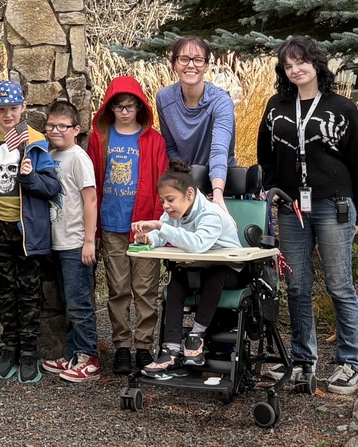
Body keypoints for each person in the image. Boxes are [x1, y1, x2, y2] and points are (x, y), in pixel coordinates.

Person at [258, 35, 358, 395]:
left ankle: (350, 362)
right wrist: (271, 189)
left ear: (316, 63)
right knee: (297, 285)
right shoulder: (276, 106)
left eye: (301, 61)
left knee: (339, 285)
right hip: (291, 208)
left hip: (334, 205)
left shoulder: (342, 108)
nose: (295, 69)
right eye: (288, 64)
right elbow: (266, 157)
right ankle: (303, 361)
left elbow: (355, 161)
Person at [0, 79, 60, 384]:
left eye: (13, 108)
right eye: (1, 109)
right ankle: (9, 346)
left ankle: (29, 351)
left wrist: (29, 179)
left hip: (27, 229)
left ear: (23, 107)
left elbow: (53, 187)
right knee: (6, 289)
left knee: (29, 291)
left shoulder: (35, 141)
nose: (8, 114)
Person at [88, 76, 168, 375]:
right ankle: (122, 346)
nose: (124, 111)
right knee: (118, 288)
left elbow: (162, 185)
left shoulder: (153, 140)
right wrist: (93, 227)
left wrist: (158, 224)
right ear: (110, 107)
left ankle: (144, 347)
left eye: (130, 106)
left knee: (146, 289)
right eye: (119, 106)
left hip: (144, 226)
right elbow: (93, 181)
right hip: (112, 225)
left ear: (140, 107)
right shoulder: (101, 137)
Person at [132, 160, 241, 378]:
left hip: (230, 271)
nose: (165, 206)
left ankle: (197, 335)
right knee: (177, 281)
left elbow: (197, 245)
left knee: (215, 275)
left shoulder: (211, 214)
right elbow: (161, 235)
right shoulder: (173, 215)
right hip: (197, 269)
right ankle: (170, 349)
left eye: (170, 200)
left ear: (189, 194)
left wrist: (160, 227)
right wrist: (148, 239)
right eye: (162, 201)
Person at [40, 100, 100, 383]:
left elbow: (89, 199)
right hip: (57, 242)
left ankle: (89, 357)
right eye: (51, 125)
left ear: (76, 129)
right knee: (66, 302)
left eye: (62, 126)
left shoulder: (79, 158)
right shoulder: (50, 155)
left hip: (77, 242)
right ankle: (73, 354)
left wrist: (89, 241)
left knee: (79, 303)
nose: (55, 130)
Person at [155, 37, 236, 212]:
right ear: (174, 64)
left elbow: (219, 150)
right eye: (184, 59)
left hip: (219, 184)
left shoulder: (221, 101)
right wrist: (187, 182)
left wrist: (217, 195)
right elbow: (170, 146)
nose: (191, 65)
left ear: (206, 65)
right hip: (185, 185)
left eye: (198, 60)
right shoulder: (164, 98)